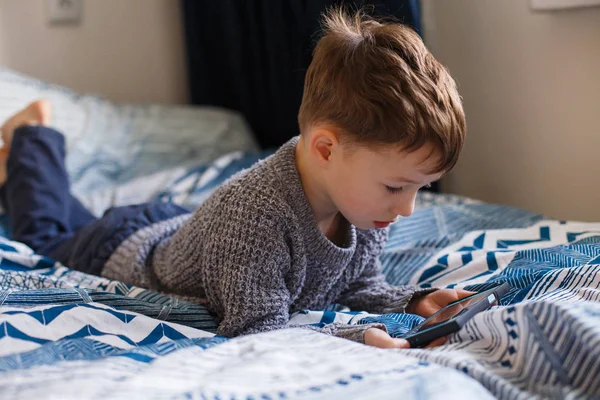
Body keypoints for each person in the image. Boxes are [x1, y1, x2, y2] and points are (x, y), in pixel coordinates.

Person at [0, 8, 470, 349]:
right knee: (45, 232)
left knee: (73, 215)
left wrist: (417, 301)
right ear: (326, 149)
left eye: (417, 188)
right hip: (119, 246)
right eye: (395, 187)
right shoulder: (253, 218)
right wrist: (356, 336)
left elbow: (355, 286)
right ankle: (32, 133)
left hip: (175, 226)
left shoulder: (362, 209)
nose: (406, 208)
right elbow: (256, 330)